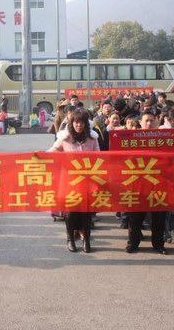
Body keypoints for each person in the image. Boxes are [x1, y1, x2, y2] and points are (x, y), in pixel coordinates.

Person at [47, 108, 99, 253]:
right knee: (71, 212)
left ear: (86, 124)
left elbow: (99, 158)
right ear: (72, 123)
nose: (79, 125)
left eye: (82, 122)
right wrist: (39, 155)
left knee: (86, 213)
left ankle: (86, 240)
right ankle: (70, 239)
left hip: (87, 181)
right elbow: (52, 151)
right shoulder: (65, 138)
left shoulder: (92, 139)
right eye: (76, 122)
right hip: (69, 182)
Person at [125, 110, 168, 255]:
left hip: (158, 183)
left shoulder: (164, 139)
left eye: (152, 120)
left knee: (158, 218)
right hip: (137, 183)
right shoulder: (131, 139)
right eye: (146, 121)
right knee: (135, 218)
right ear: (140, 123)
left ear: (157, 122)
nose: (149, 123)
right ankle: (133, 243)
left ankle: (158, 244)